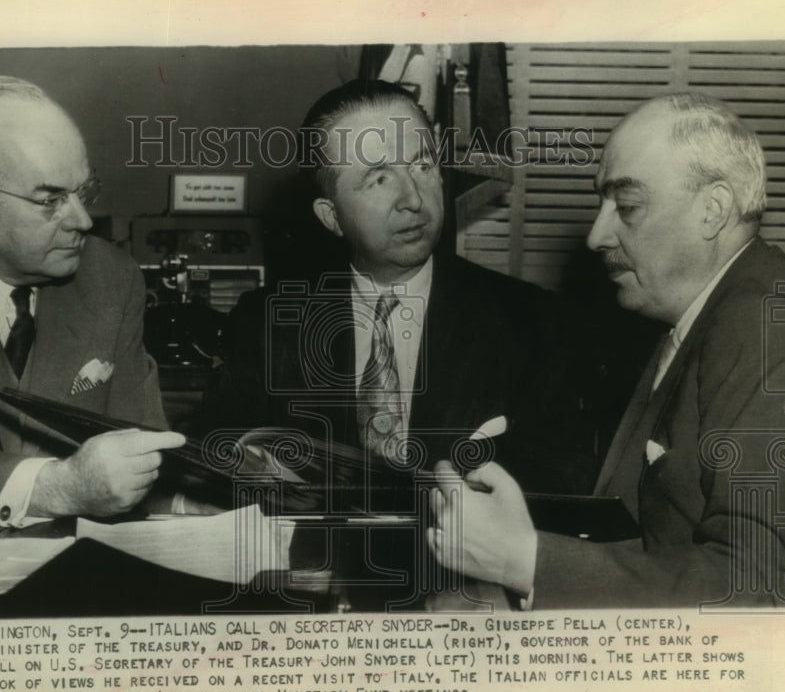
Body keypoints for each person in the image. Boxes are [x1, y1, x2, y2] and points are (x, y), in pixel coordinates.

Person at [200, 79, 592, 607]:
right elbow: (218, 461)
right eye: (379, 178)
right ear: (330, 216)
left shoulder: (530, 320)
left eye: (424, 165)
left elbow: (565, 481)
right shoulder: (268, 323)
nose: (414, 199)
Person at [428, 92, 785, 608]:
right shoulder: (694, 318)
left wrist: (523, 561)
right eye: (602, 203)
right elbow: (648, 535)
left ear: (713, 210)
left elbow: (761, 589)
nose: (596, 235)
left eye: (627, 206)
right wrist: (509, 586)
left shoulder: (777, 323)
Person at [0, 75, 185, 559]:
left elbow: (143, 441)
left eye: (84, 191)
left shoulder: (112, 279)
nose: (83, 220)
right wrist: (55, 488)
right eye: (50, 201)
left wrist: (190, 496)